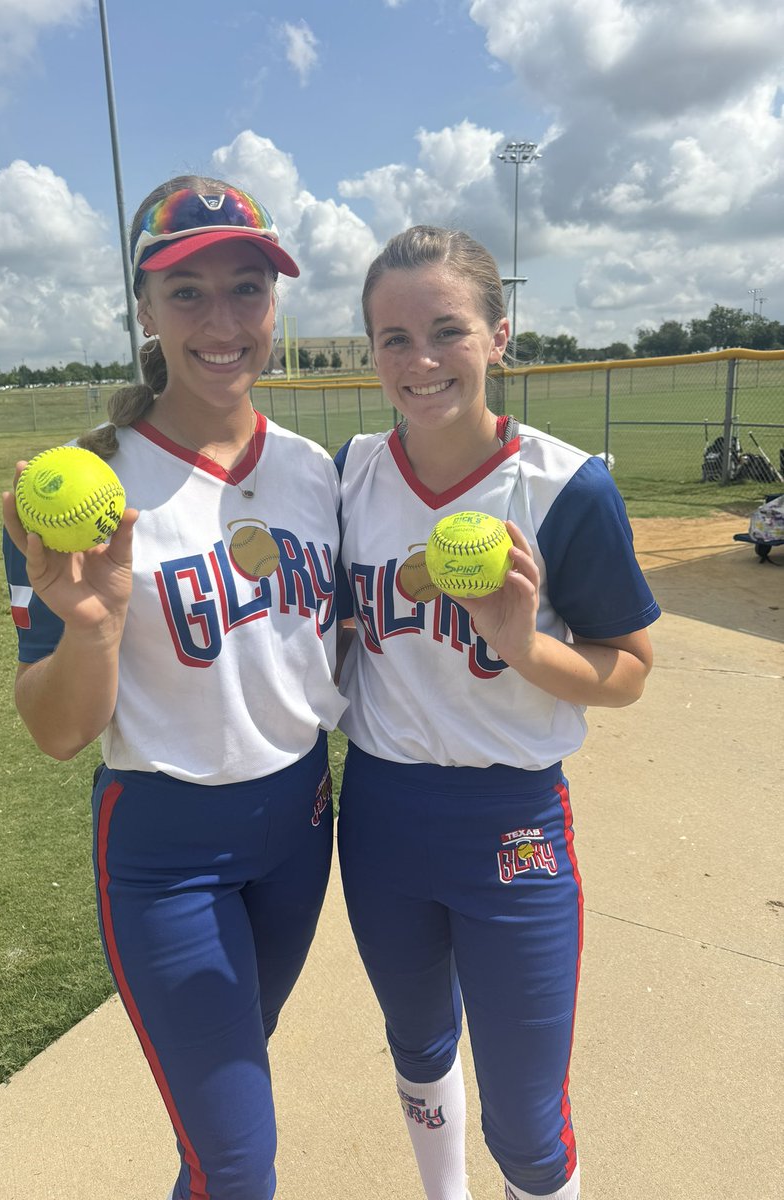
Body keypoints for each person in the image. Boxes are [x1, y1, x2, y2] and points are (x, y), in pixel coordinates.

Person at [2, 176, 346, 1200]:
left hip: (301, 824)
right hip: (166, 857)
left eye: (247, 287)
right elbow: (58, 732)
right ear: (142, 312)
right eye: (187, 293)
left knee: (223, 1125)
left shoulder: (316, 471)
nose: (223, 320)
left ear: (276, 305)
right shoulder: (76, 489)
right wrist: (96, 625)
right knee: (240, 1164)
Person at [334, 226, 659, 1200]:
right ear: (371, 354)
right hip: (383, 818)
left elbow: (632, 668)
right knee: (418, 1043)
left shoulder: (564, 487)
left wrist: (524, 645)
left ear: (499, 337)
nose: (420, 360)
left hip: (514, 823)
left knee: (526, 1112)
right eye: (393, 339)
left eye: (447, 330)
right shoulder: (349, 474)